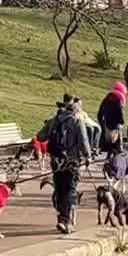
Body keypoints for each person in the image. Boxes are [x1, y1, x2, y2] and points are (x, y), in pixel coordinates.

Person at [38, 98, 91, 234]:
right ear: (76, 111)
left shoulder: (54, 120)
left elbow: (40, 137)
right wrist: (88, 157)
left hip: (56, 161)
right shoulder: (77, 121)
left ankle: (60, 217)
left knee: (59, 188)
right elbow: (84, 141)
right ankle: (65, 221)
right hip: (71, 161)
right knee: (69, 189)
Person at [97, 81, 127, 158]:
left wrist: (101, 123)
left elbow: (100, 113)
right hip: (116, 125)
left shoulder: (106, 99)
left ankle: (108, 154)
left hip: (107, 123)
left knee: (109, 141)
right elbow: (120, 115)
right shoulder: (118, 102)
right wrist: (122, 122)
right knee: (118, 136)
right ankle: (119, 150)